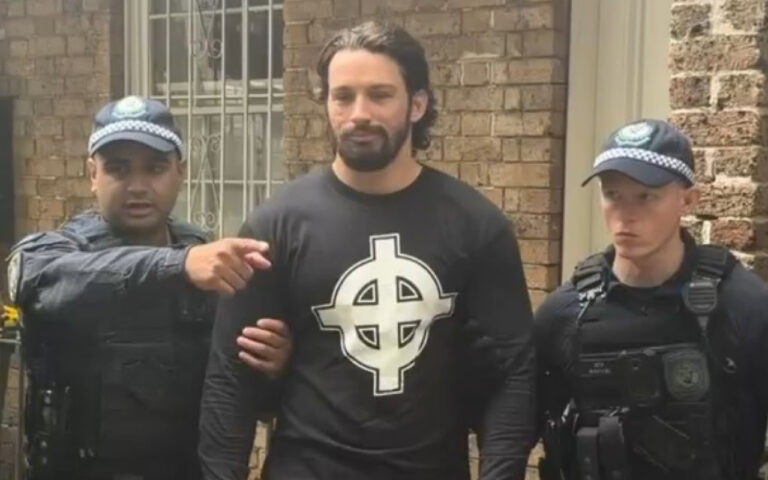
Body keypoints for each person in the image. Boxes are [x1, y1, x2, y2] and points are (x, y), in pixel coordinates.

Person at [199, 21, 536, 480]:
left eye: (380, 95)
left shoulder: (476, 226)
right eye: (343, 96)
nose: (359, 113)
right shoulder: (275, 226)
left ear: (417, 104)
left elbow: (513, 374)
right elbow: (229, 380)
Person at [5, 95, 291, 480]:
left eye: (155, 168)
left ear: (180, 172)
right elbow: (44, 280)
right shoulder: (56, 253)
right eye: (118, 169)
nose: (137, 186)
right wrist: (179, 266)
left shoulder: (206, 261)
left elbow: (236, 393)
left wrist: (275, 367)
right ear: (92, 174)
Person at [534, 119, 768, 480]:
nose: (625, 214)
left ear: (688, 199)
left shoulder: (744, 306)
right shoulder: (564, 314)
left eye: (646, 196)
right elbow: (517, 424)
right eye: (613, 194)